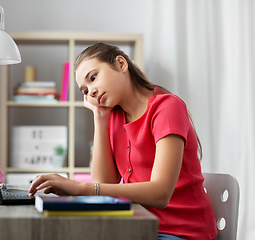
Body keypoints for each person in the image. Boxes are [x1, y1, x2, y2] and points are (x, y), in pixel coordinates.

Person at [28, 43, 218, 240]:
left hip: (184, 233)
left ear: (121, 64)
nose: (90, 92)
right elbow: (104, 183)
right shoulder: (114, 117)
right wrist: (100, 118)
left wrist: (80, 188)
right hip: (138, 228)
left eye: (93, 78)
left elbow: (161, 193)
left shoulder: (167, 107)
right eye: (84, 91)